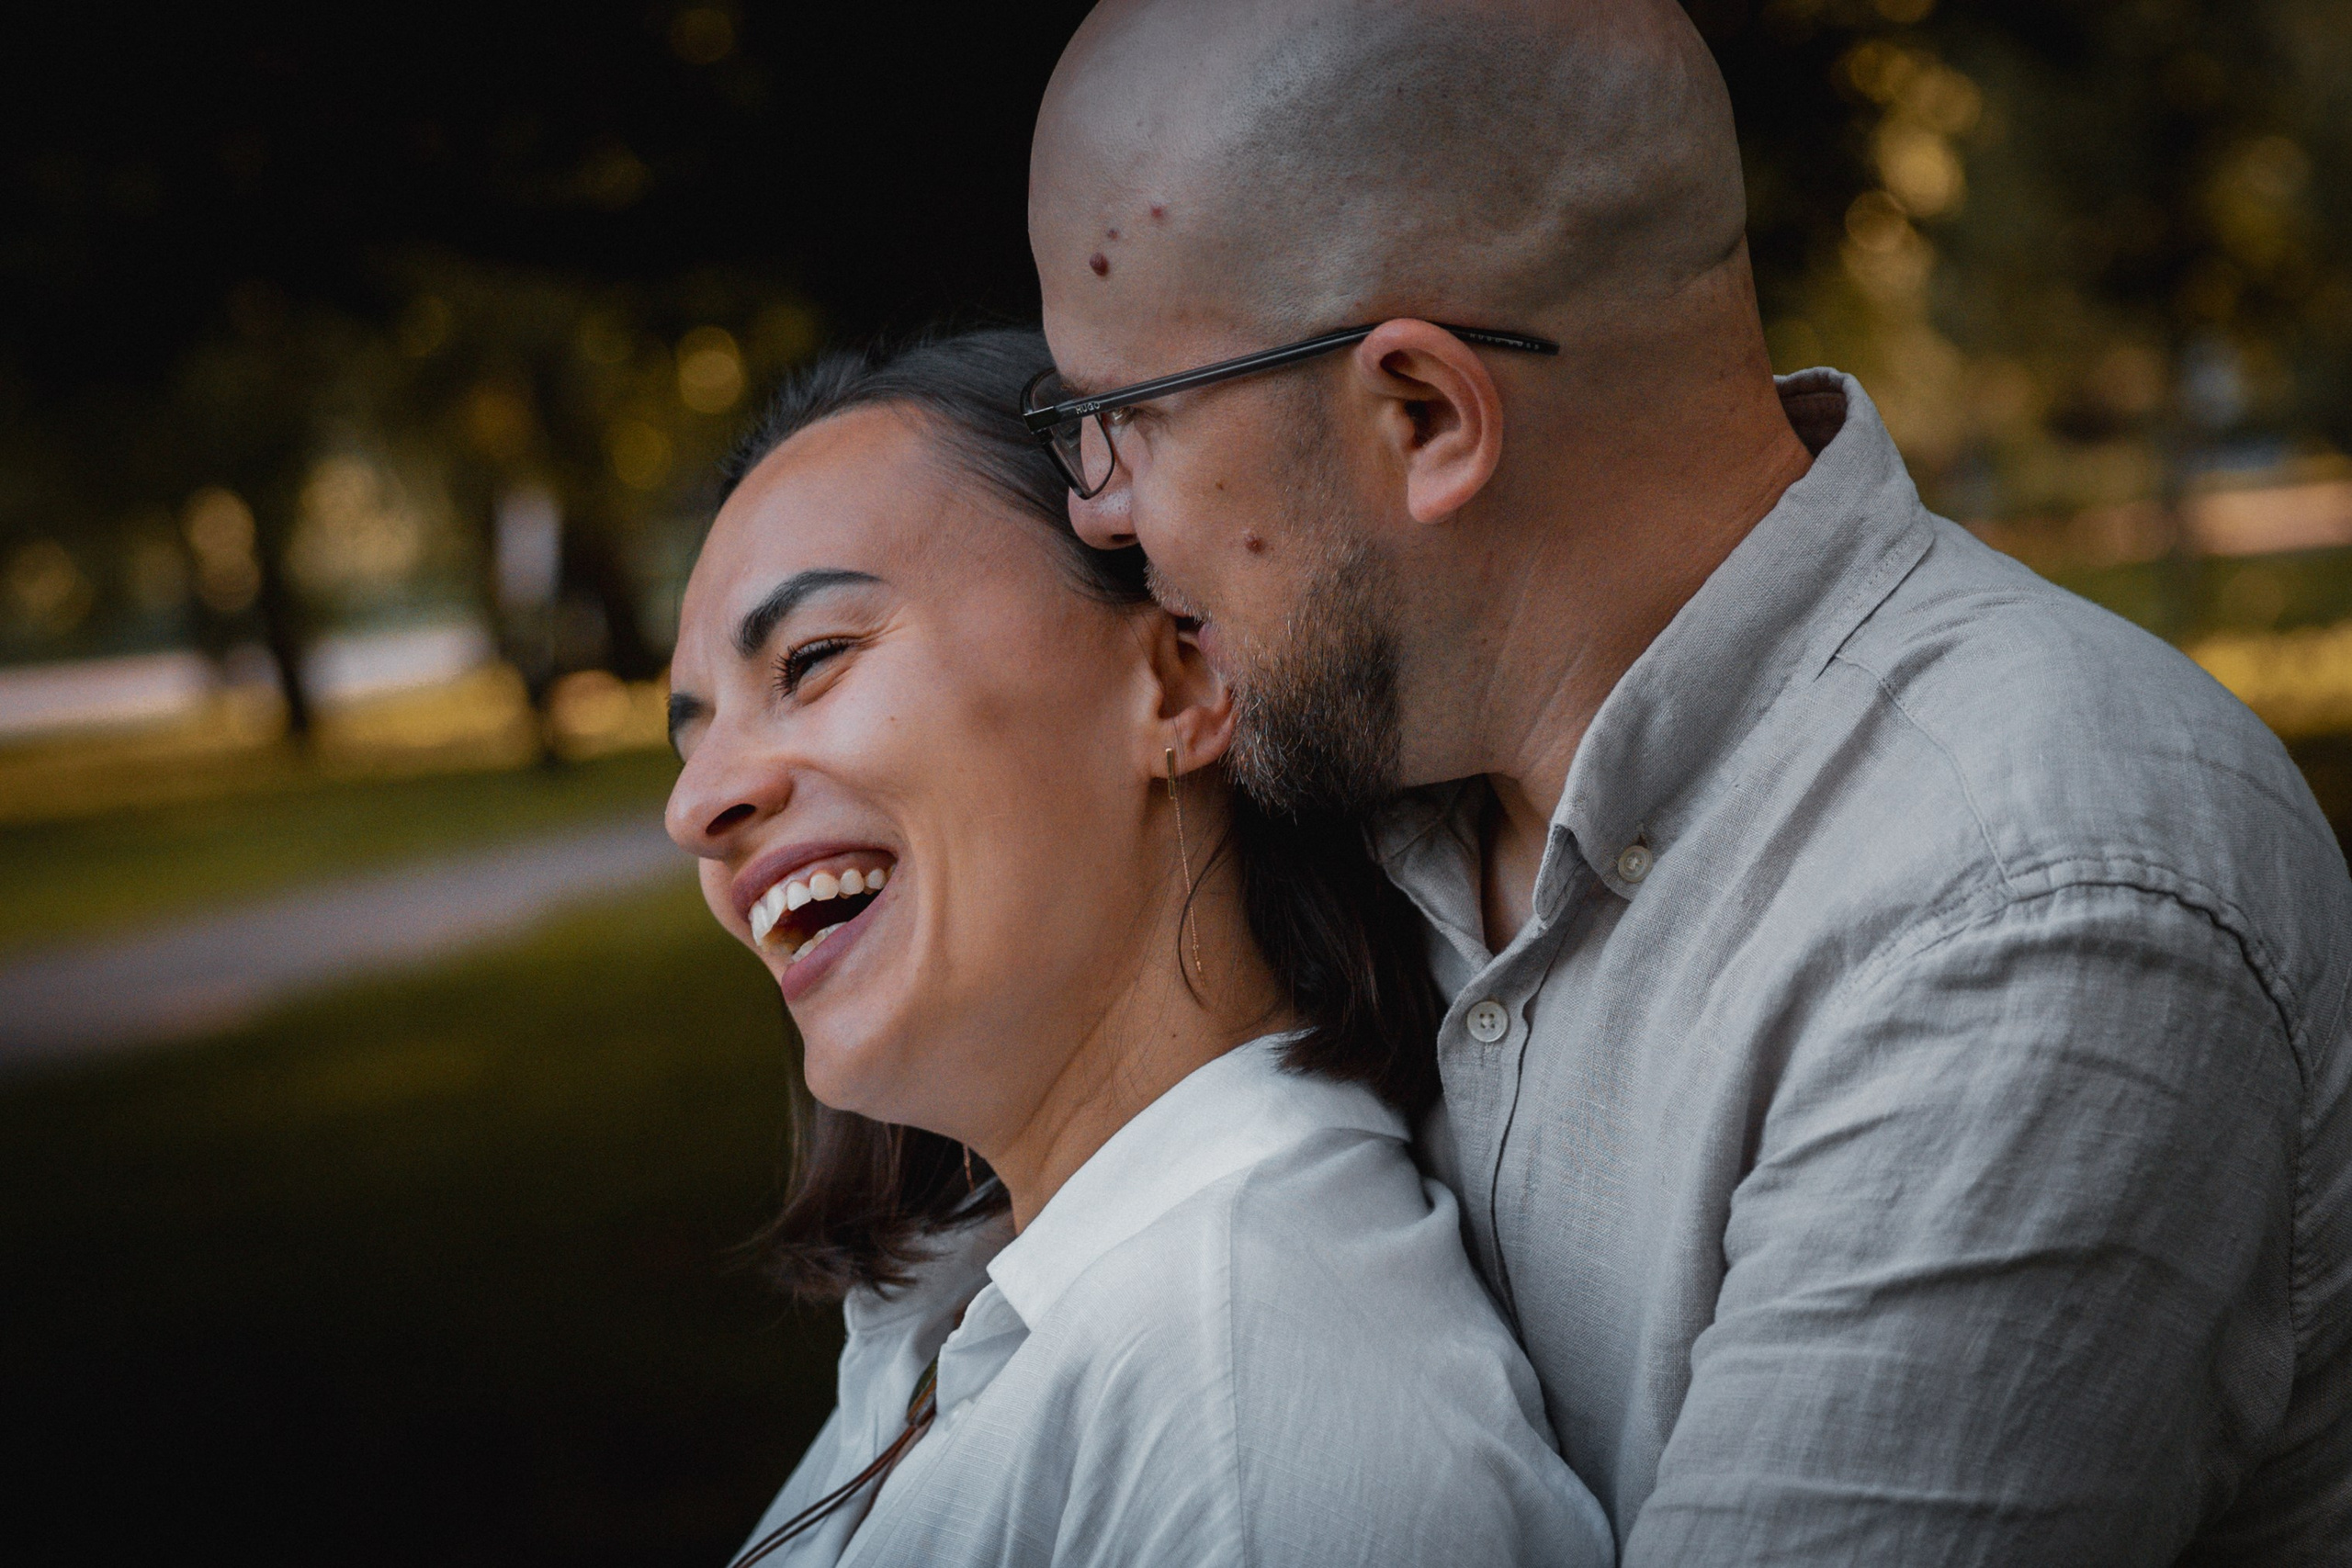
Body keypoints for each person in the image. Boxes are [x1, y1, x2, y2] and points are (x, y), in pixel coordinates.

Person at [1022, 1, 2352, 1563]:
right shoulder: (1351, 799)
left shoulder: (2024, 906)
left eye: (1122, 418)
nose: (1098, 513)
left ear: (1425, 416)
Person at [663, 329, 1612, 1567]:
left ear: (1177, 677)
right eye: (691, 739)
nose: (697, 808)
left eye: (813, 658)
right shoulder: (977, 1303)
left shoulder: (1250, 1414)